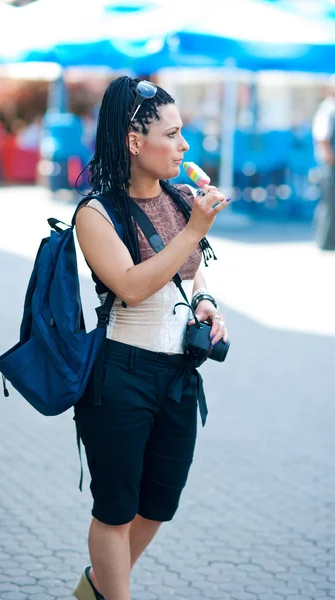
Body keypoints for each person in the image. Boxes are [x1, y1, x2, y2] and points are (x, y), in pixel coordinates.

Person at [73, 75, 230, 600]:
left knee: (159, 502)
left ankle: (98, 585)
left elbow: (192, 272)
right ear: (135, 143)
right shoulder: (96, 212)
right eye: (174, 133)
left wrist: (206, 303)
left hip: (178, 375)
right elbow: (133, 287)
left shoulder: (183, 198)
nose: (185, 145)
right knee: (115, 508)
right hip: (121, 374)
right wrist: (195, 231)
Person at [312, 82, 335, 250]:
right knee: (330, 203)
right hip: (330, 165)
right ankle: (326, 241)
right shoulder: (327, 111)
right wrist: (330, 158)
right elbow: (322, 139)